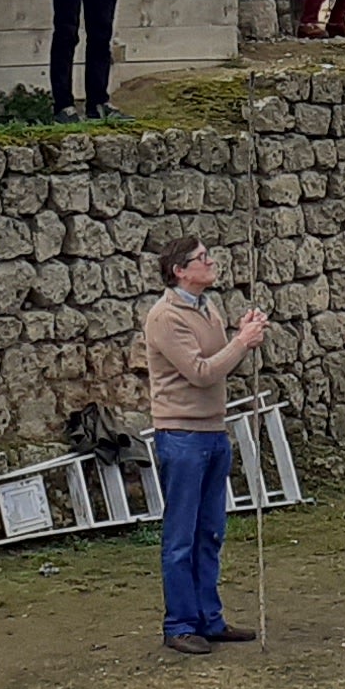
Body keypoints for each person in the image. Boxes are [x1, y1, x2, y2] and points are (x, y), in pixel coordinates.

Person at [136, 234, 266, 656]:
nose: (211, 263)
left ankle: (210, 618)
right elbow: (201, 371)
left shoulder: (207, 307)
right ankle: (179, 623)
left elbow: (218, 358)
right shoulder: (164, 317)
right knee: (181, 535)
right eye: (202, 258)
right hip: (182, 434)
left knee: (210, 531)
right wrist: (240, 342)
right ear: (179, 270)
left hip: (212, 430)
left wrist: (242, 335)